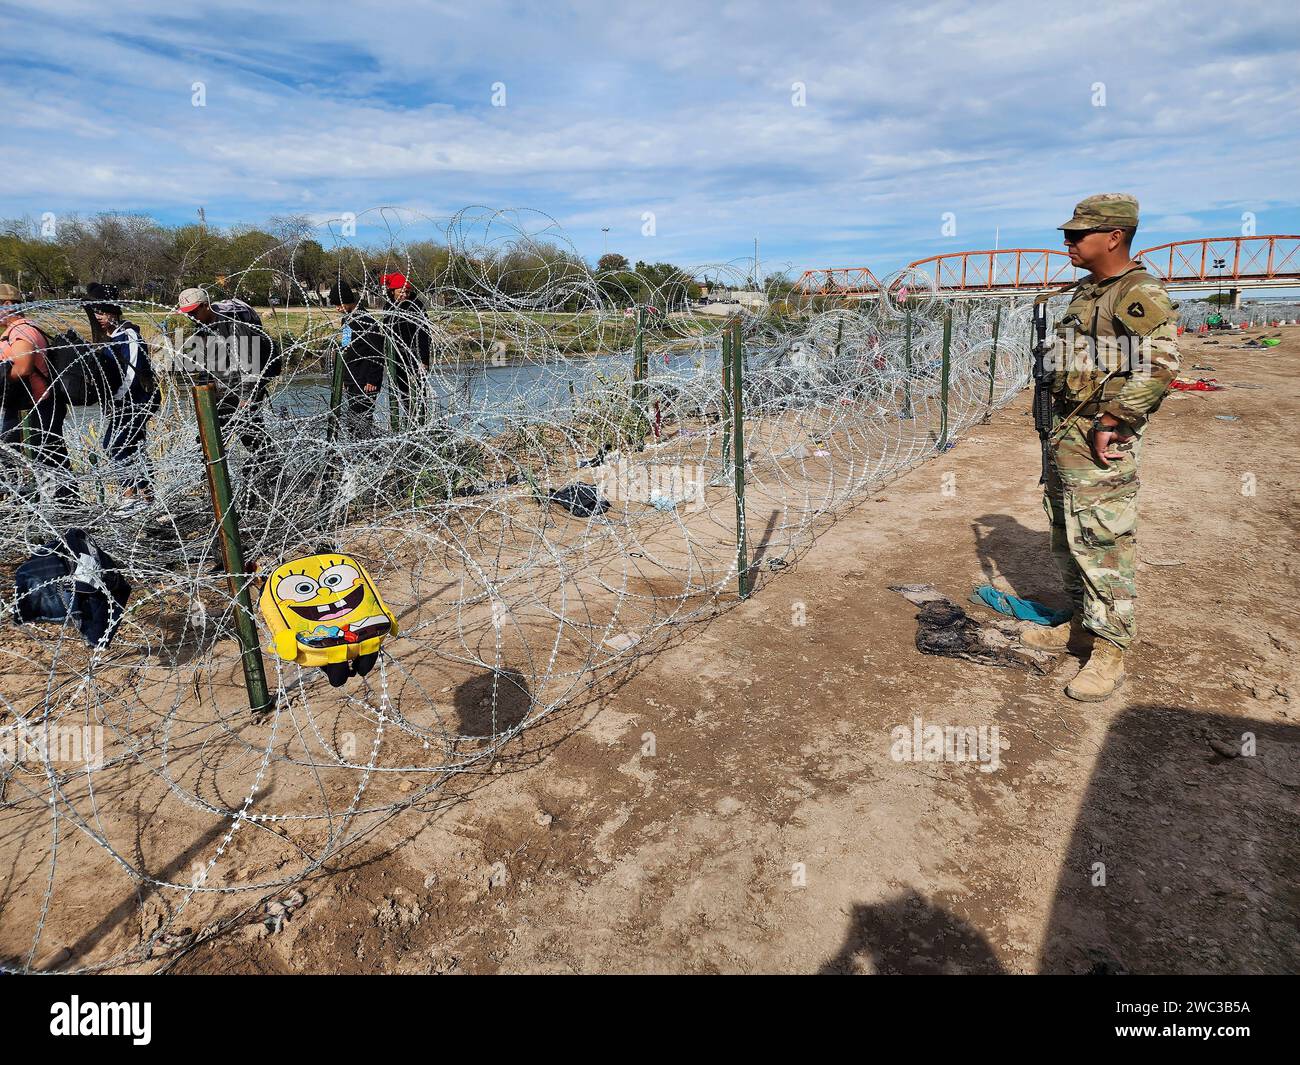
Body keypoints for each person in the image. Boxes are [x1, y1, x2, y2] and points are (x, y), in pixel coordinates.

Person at [1021, 194, 1180, 701]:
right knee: (1066, 532)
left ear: (1114, 237)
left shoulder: (1136, 292)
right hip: (1066, 428)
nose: (1066, 243)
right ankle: (1081, 627)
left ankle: (1110, 649)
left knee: (1103, 539)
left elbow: (1160, 365)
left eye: (1076, 235)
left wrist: (1114, 419)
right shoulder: (1086, 292)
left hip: (1099, 434)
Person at [175, 286, 281, 459]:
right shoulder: (203, 326)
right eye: (187, 313)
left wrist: (246, 396)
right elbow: (206, 365)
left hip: (245, 386)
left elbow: (248, 361)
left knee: (247, 433)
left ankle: (271, 471)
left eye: (193, 312)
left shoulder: (231, 323)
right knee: (211, 437)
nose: (191, 317)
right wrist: (204, 394)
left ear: (205, 306)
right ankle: (213, 477)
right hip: (224, 387)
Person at [86, 283, 159, 501]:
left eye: (104, 312)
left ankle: (130, 497)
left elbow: (133, 372)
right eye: (96, 312)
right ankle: (146, 497)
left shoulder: (128, 335)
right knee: (134, 447)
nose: (99, 316)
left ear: (114, 312)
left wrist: (116, 398)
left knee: (115, 445)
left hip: (136, 400)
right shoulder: (110, 338)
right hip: (123, 403)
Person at [0, 282, 73, 499]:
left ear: (7, 304)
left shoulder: (21, 329)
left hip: (33, 408)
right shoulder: (17, 330)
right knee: (35, 459)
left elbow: (23, 368)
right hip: (28, 407)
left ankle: (56, 511)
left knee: (42, 460)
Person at [380, 272, 431, 426]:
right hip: (395, 357)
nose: (404, 294)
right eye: (401, 291)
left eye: (407, 291)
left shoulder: (416, 306)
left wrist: (424, 360)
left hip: (414, 356)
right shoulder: (388, 306)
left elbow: (424, 334)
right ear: (392, 291)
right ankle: (405, 425)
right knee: (401, 393)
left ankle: (418, 425)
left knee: (418, 395)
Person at [335, 280, 385, 437]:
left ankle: (365, 454)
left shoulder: (366, 321)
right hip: (352, 378)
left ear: (347, 301)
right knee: (353, 422)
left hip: (365, 381)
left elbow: (377, 352)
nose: (337, 308)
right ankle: (359, 453)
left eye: (339, 304)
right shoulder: (347, 321)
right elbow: (346, 348)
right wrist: (344, 377)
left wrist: (373, 380)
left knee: (361, 421)